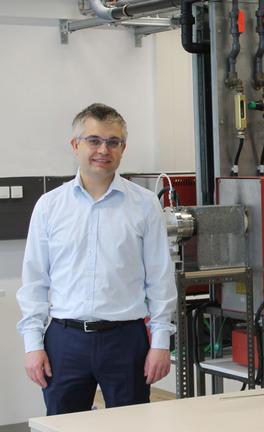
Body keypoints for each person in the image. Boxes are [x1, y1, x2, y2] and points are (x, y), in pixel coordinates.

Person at [16, 103, 177, 415]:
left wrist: (160, 343)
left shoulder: (144, 205)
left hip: (126, 340)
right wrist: (33, 345)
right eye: (94, 140)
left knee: (130, 425)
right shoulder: (50, 206)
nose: (104, 149)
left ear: (123, 148)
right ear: (75, 145)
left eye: (113, 142)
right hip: (65, 340)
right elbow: (35, 281)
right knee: (62, 425)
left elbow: (159, 280)